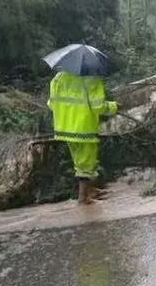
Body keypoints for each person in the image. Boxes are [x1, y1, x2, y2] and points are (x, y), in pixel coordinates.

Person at [47, 70, 118, 204]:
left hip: (64, 128)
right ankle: (83, 198)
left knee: (79, 162)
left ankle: (91, 191)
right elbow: (99, 107)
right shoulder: (92, 80)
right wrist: (114, 107)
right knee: (87, 164)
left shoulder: (58, 78)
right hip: (84, 129)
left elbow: (51, 104)